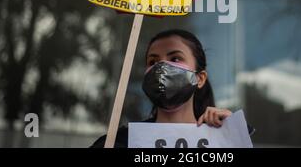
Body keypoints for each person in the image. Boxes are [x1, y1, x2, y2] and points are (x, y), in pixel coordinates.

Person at [90, 29, 253, 148]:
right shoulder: (119, 142)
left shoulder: (225, 138)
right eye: (152, 62)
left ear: (200, 78)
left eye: (175, 58)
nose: (161, 67)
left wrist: (234, 133)